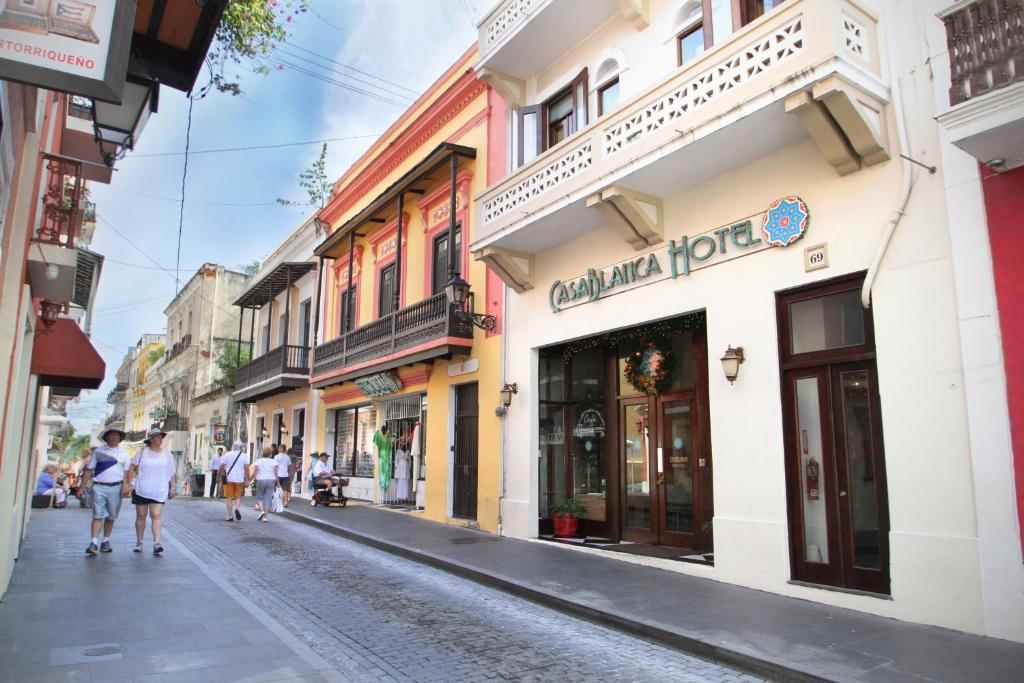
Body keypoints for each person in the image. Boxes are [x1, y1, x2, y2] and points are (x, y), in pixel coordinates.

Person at [125, 428, 176, 554]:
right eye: (156, 437)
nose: (159, 439)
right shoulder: (142, 452)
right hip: (142, 488)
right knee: (141, 516)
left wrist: (172, 487)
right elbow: (132, 468)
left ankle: (156, 543)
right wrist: (130, 483)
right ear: (151, 439)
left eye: (160, 437)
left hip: (159, 489)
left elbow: (172, 472)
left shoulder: (167, 454)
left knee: (156, 515)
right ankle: (140, 542)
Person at [82, 427, 130, 555]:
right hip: (99, 486)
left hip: (116, 487)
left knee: (111, 515)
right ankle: (93, 542)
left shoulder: (124, 452)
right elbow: (89, 469)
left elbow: (126, 471)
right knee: (98, 514)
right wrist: (81, 487)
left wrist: (126, 485)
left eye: (117, 436)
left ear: (120, 438)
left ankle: (106, 540)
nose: (114, 438)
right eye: (112, 435)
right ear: (106, 438)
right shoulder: (98, 452)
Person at [219, 440, 247, 522]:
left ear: (233, 446)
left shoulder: (227, 455)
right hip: (239, 479)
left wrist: (219, 475)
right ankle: (237, 508)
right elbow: (246, 468)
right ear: (240, 447)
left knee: (229, 498)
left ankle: (230, 516)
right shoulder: (244, 456)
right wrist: (247, 479)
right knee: (237, 496)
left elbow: (221, 466)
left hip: (229, 479)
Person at [250, 446, 279, 522]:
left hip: (261, 480)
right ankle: (265, 517)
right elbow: (276, 473)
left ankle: (262, 511)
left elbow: (254, 472)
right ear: (270, 454)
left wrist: (249, 480)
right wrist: (278, 483)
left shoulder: (258, 461)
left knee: (259, 497)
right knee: (268, 498)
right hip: (271, 480)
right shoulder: (274, 461)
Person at [274, 444, 292, 508]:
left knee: (277, 488)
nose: (278, 449)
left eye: (279, 448)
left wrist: (275, 474)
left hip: (278, 475)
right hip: (285, 475)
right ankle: (285, 502)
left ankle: (278, 502)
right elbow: (289, 466)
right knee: (285, 489)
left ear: (281, 449)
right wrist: (289, 473)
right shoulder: (287, 457)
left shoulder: (276, 457)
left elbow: (275, 467)